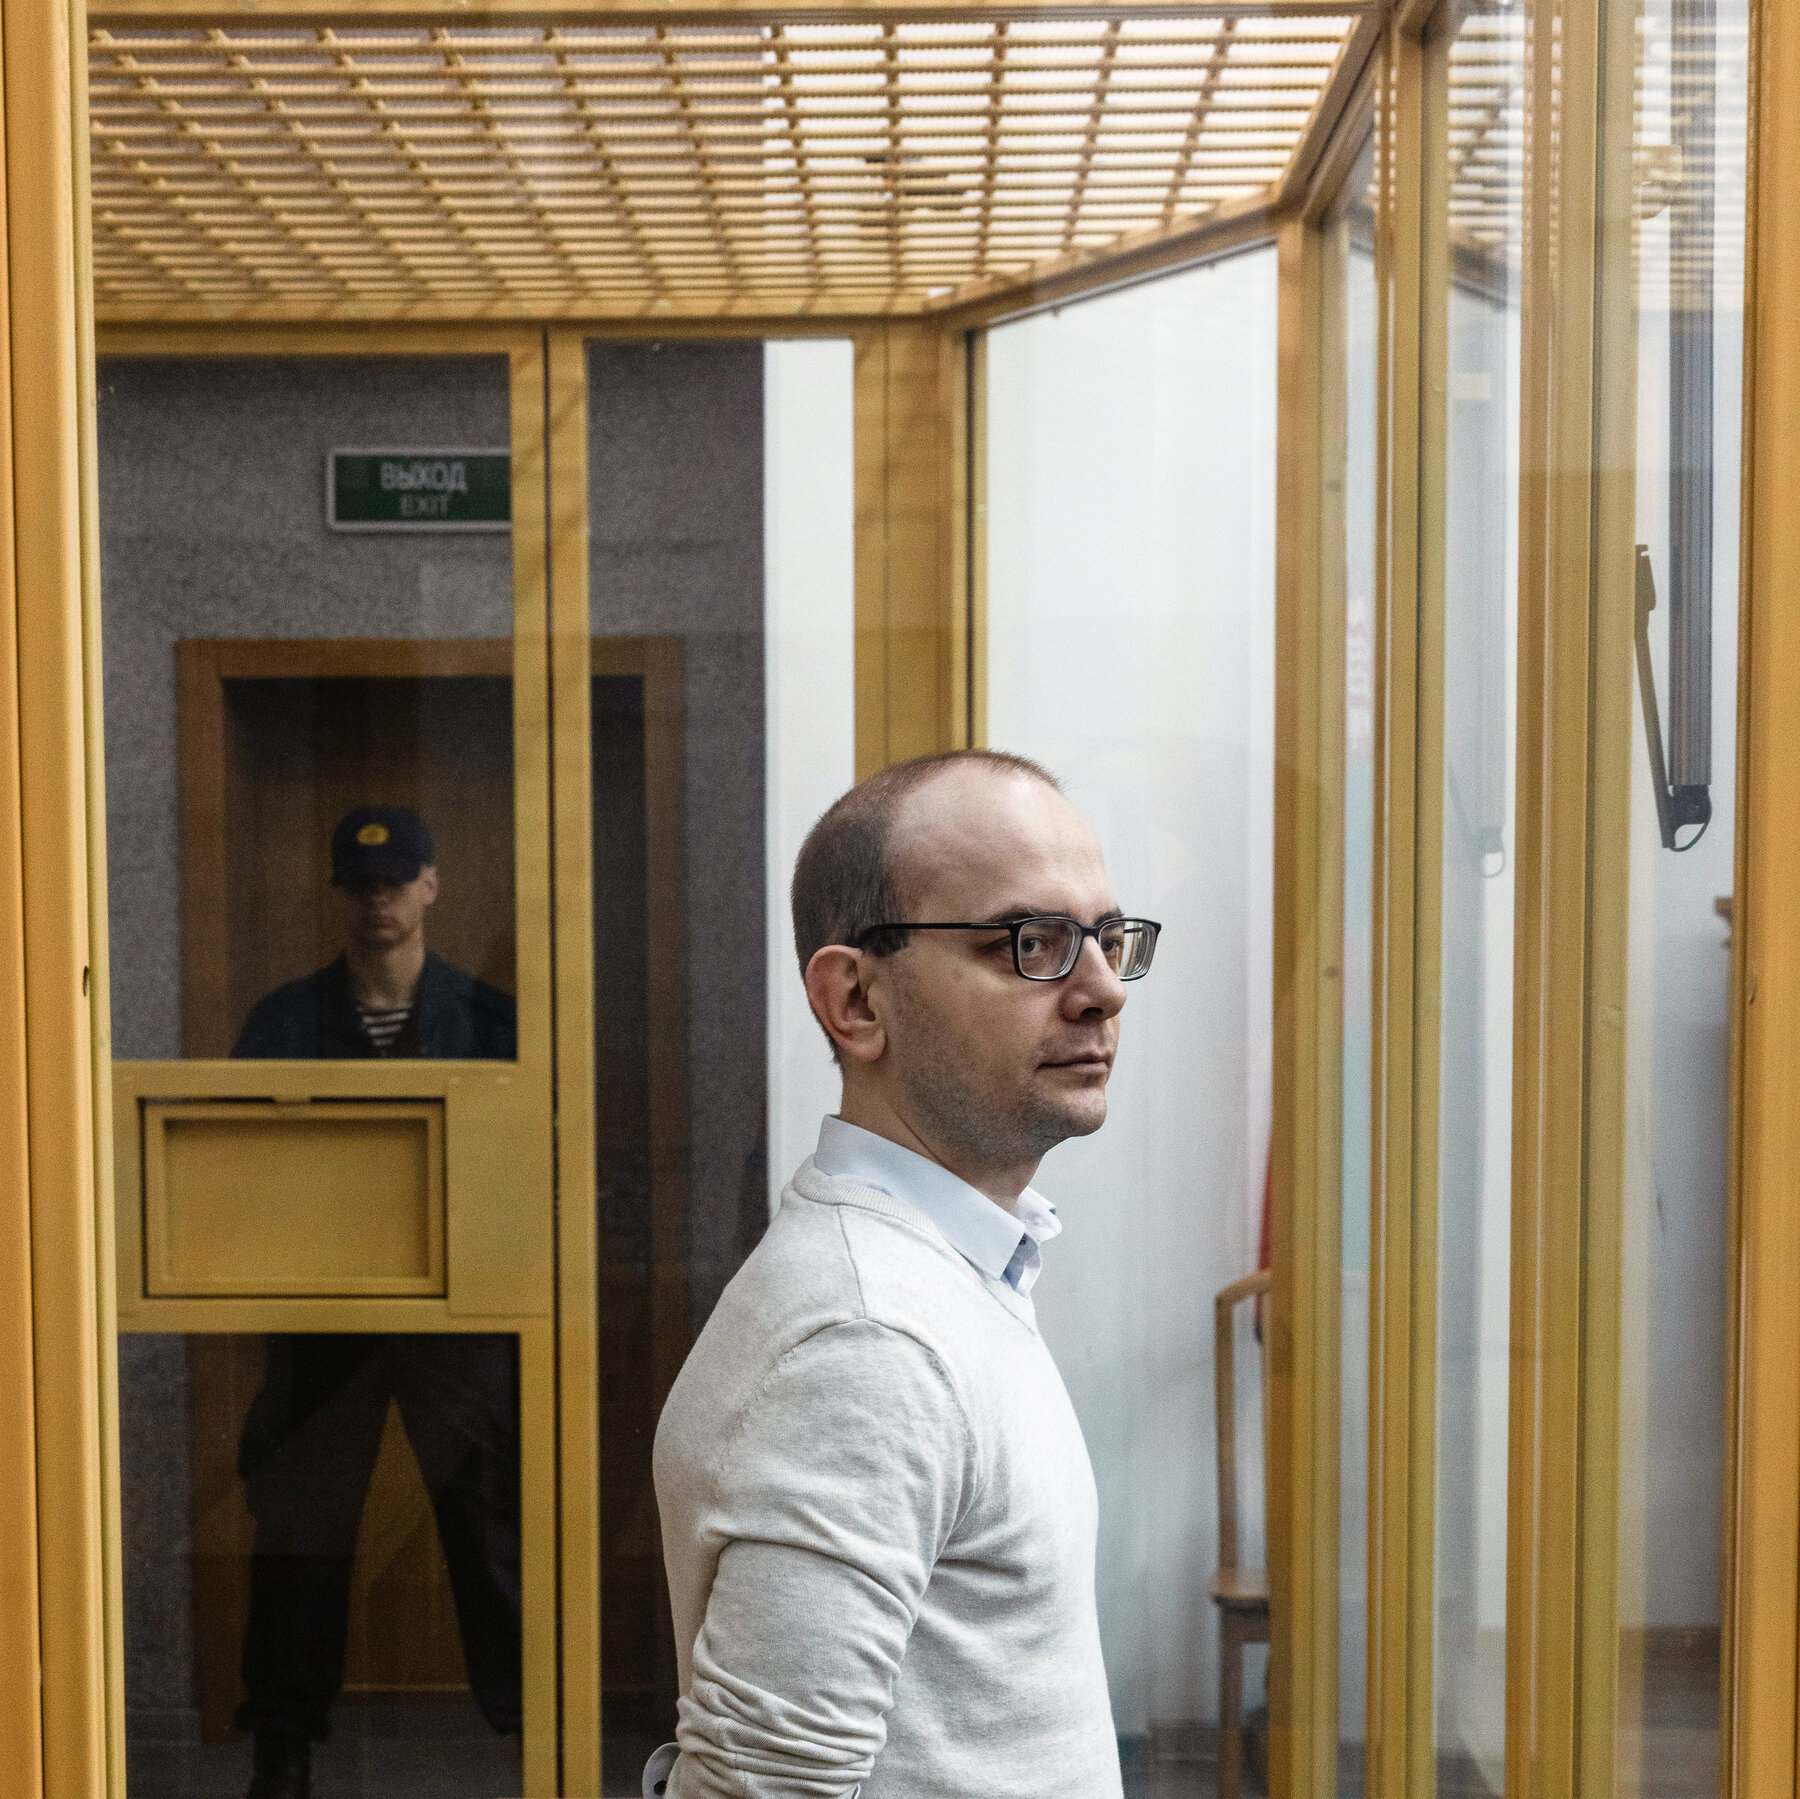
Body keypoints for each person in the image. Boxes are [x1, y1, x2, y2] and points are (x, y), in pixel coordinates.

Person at [650, 749, 1162, 1799]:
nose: (1104, 990)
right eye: (1031, 943)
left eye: (1107, 939)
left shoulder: (950, 1268)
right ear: (856, 1000)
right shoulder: (868, 1342)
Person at [233, 805, 521, 1799]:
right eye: (360, 884)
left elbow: (528, 1168)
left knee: (492, 1526)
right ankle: (281, 1750)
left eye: (395, 880)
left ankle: (538, 1739)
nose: (378, 900)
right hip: (324, 1307)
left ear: (431, 885)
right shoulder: (282, 1022)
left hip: (460, 1309)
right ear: (338, 896)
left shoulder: (490, 1020)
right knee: (301, 1531)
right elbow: (239, 1168)